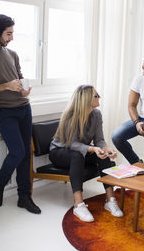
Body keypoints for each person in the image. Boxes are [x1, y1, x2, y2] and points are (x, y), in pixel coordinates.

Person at [49, 85, 123, 222]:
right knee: (77, 156)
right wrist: (93, 149)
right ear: (87, 99)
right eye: (96, 95)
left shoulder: (96, 114)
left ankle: (110, 200)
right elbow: (71, 144)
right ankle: (79, 205)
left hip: (80, 151)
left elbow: (99, 140)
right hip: (60, 151)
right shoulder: (69, 116)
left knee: (103, 155)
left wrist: (107, 149)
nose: (99, 97)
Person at [0, 14, 41, 214]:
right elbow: (3, 85)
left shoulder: (12, 54)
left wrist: (23, 89)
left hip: (24, 108)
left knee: (26, 154)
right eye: (8, 33)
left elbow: (19, 77)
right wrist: (5, 86)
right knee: (17, 152)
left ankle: (24, 197)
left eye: (13, 32)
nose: (12, 37)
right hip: (4, 111)